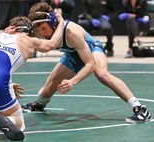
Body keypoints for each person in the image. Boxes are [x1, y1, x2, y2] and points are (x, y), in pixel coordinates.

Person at [19, 2, 151, 124]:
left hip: (91, 49)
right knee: (46, 90)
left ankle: (139, 108)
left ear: (53, 22)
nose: (42, 33)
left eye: (44, 28)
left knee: (102, 74)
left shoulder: (71, 32)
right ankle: (39, 105)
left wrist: (73, 81)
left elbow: (90, 64)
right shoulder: (39, 29)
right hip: (72, 53)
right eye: (39, 30)